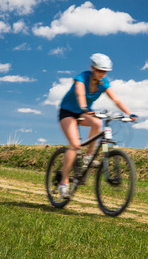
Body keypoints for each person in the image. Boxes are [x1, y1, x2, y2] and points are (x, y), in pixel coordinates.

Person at [58, 53, 137, 199]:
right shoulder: (82, 77)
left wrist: (129, 113)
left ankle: (89, 156)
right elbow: (80, 94)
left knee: (97, 123)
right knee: (75, 145)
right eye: (99, 70)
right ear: (92, 68)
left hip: (84, 112)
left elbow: (116, 100)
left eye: (105, 71)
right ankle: (63, 184)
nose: (102, 74)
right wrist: (84, 107)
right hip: (68, 112)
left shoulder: (103, 83)